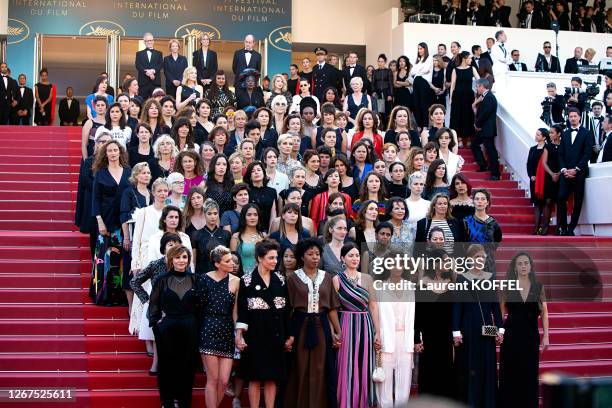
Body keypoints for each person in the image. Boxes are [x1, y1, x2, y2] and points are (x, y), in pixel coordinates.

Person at [284, 238, 342, 408]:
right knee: (299, 366)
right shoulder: (293, 278)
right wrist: (289, 334)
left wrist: (337, 331)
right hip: (300, 325)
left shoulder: (327, 277)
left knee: (321, 367)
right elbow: (288, 310)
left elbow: (331, 308)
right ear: (302, 257)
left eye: (317, 254)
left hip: (321, 325)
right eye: (310, 254)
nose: (315, 257)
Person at [235, 239, 290, 408]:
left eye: (276, 258)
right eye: (271, 258)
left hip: (276, 335)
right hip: (255, 336)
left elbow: (287, 311)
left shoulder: (280, 280)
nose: (275, 261)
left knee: (272, 378)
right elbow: (242, 311)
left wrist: (289, 336)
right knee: (255, 377)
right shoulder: (246, 281)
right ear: (260, 258)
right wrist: (239, 335)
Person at [148, 245, 203, 408]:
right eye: (178, 257)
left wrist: (197, 326)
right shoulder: (162, 279)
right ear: (171, 259)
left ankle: (184, 401)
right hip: (167, 329)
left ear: (188, 259)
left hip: (190, 328)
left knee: (188, 365)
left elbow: (201, 306)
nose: (181, 260)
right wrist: (157, 326)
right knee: (166, 365)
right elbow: (154, 307)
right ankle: (167, 401)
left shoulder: (196, 279)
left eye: (184, 257)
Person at [453, 244, 504, 408]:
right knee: (470, 366)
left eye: (482, 257)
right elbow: (457, 307)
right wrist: (455, 331)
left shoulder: (490, 278)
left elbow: (495, 307)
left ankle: (488, 402)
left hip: (487, 329)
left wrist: (500, 330)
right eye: (476, 257)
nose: (480, 260)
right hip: (468, 329)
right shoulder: (461, 278)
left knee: (487, 367)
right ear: (469, 259)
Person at [332, 242, 380, 408]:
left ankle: (363, 402)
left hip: (365, 325)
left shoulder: (367, 278)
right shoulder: (336, 280)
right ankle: (345, 402)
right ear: (342, 258)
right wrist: (335, 332)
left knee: (364, 363)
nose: (354, 258)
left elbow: (373, 306)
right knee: (346, 363)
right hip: (345, 325)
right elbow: (332, 309)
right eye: (350, 255)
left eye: (357, 255)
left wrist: (377, 332)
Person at [499, 252, 549, 408]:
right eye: (520, 263)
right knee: (510, 373)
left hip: (530, 336)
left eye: (526, 263)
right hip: (511, 336)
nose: (523, 266)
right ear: (514, 267)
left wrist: (546, 336)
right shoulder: (507, 286)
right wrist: (497, 333)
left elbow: (544, 312)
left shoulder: (539, 287)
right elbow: (500, 312)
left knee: (529, 373)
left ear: (531, 266)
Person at [130, 231, 181, 374]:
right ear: (164, 247)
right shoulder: (155, 265)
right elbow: (134, 282)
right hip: (158, 307)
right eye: (170, 244)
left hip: (178, 308)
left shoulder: (183, 264)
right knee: (159, 336)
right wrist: (147, 299)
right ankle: (156, 363)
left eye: (177, 245)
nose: (173, 247)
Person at [91, 140, 132, 306]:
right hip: (106, 221)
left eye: (116, 150)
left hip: (124, 222)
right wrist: (100, 222)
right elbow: (95, 200)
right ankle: (104, 295)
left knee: (122, 259)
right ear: (105, 154)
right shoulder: (100, 173)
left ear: (120, 152)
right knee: (106, 259)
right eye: (110, 150)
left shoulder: (129, 171)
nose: (113, 153)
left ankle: (121, 297)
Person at [199, 245, 239, 408]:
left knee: (223, 381)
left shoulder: (237, 281)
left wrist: (238, 333)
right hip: (208, 329)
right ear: (217, 263)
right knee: (213, 379)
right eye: (228, 261)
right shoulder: (203, 279)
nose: (232, 264)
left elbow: (236, 311)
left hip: (227, 330)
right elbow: (198, 307)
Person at [414, 248, 455, 401]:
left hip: (446, 336)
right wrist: (416, 339)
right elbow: (417, 314)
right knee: (428, 373)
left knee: (446, 373)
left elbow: (454, 312)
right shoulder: (423, 284)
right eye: (445, 260)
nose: (448, 263)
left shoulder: (451, 283)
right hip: (428, 337)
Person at [119, 162, 151, 311]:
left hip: (148, 239)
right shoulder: (128, 192)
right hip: (132, 237)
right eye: (143, 173)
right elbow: (124, 215)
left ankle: (143, 307)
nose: (146, 175)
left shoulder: (152, 192)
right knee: (129, 271)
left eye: (148, 173)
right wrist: (126, 237)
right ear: (136, 175)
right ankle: (131, 307)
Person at [557, 108, 594, 236]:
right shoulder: (565, 134)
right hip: (565, 173)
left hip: (579, 173)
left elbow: (587, 154)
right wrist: (564, 169)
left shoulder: (587, 133)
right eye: (570, 116)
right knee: (561, 198)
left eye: (574, 116)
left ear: (579, 117)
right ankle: (563, 227)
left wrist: (576, 169)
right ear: (568, 118)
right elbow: (560, 154)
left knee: (578, 201)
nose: (572, 118)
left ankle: (571, 228)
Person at [75, 132, 112, 257]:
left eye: (109, 141)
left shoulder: (117, 162)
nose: (106, 144)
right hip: (94, 206)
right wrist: (105, 188)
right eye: (102, 141)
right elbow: (86, 181)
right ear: (96, 144)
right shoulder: (89, 161)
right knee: (95, 240)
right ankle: (95, 272)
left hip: (111, 207)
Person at [463, 188, 503, 276]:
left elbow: (496, 242)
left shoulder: (493, 223)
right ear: (473, 202)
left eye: (483, 199)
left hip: (488, 262)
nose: (480, 201)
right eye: (477, 199)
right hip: (470, 263)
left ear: (487, 202)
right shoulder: (466, 221)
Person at [193, 198, 231, 276]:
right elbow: (193, 261)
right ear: (204, 214)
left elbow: (229, 258)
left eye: (215, 213)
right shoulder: (196, 235)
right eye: (209, 213)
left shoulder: (226, 234)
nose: (213, 216)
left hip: (222, 275)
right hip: (202, 275)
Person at [472, 78, 500, 180]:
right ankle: (483, 165)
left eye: (477, 86)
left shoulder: (489, 97)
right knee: (475, 145)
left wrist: (477, 124)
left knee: (491, 150)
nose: (477, 89)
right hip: (484, 129)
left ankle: (495, 174)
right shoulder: (487, 97)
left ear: (481, 86)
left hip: (486, 129)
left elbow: (485, 114)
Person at [450, 52, 479, 141]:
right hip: (457, 96)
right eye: (470, 58)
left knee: (468, 116)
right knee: (457, 116)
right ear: (464, 59)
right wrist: (451, 98)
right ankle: (459, 139)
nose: (471, 60)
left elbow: (479, 80)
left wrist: (485, 89)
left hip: (468, 96)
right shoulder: (455, 70)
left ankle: (469, 138)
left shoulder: (472, 69)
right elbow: (453, 84)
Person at [230, 203, 267, 273]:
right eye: (249, 215)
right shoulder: (236, 237)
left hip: (261, 276)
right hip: (242, 276)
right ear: (244, 217)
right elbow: (233, 262)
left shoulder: (264, 236)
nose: (252, 217)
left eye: (255, 215)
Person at [244, 161, 277, 231]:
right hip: (249, 229)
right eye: (253, 171)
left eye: (259, 170)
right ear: (249, 176)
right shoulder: (246, 191)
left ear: (263, 173)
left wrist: (270, 232)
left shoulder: (272, 191)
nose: (256, 172)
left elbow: (273, 214)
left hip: (268, 229)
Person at [527, 128, 549, 234]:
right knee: (536, 203)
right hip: (534, 180)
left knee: (544, 202)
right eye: (536, 134)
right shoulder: (532, 149)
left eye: (538, 135)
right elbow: (529, 164)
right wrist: (531, 175)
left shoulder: (548, 148)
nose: (536, 136)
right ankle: (536, 226)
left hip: (545, 180)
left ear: (544, 137)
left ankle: (544, 227)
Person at [409, 43, 434, 129]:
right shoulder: (418, 60)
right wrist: (420, 69)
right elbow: (412, 72)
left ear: (425, 49)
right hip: (416, 81)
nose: (420, 50)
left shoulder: (429, 58)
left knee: (424, 105)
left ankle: (425, 126)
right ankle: (419, 126)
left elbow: (426, 69)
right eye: (419, 48)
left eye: (421, 48)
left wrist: (418, 70)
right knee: (416, 104)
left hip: (424, 82)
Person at [135, 33, 163, 99]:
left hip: (155, 82)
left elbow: (160, 64)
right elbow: (138, 65)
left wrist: (153, 71)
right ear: (144, 42)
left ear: (153, 41)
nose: (149, 42)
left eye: (150, 40)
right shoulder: (139, 54)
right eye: (147, 41)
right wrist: (147, 72)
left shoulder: (159, 53)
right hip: (143, 83)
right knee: (142, 102)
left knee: (156, 101)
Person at [372, 54, 394, 123]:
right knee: (380, 111)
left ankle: (387, 128)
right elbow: (373, 83)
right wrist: (373, 91)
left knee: (387, 112)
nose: (380, 63)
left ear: (385, 62)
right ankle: (380, 127)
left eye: (382, 61)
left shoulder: (388, 71)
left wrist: (390, 94)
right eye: (379, 61)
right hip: (378, 93)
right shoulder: (375, 71)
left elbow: (390, 83)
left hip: (387, 93)